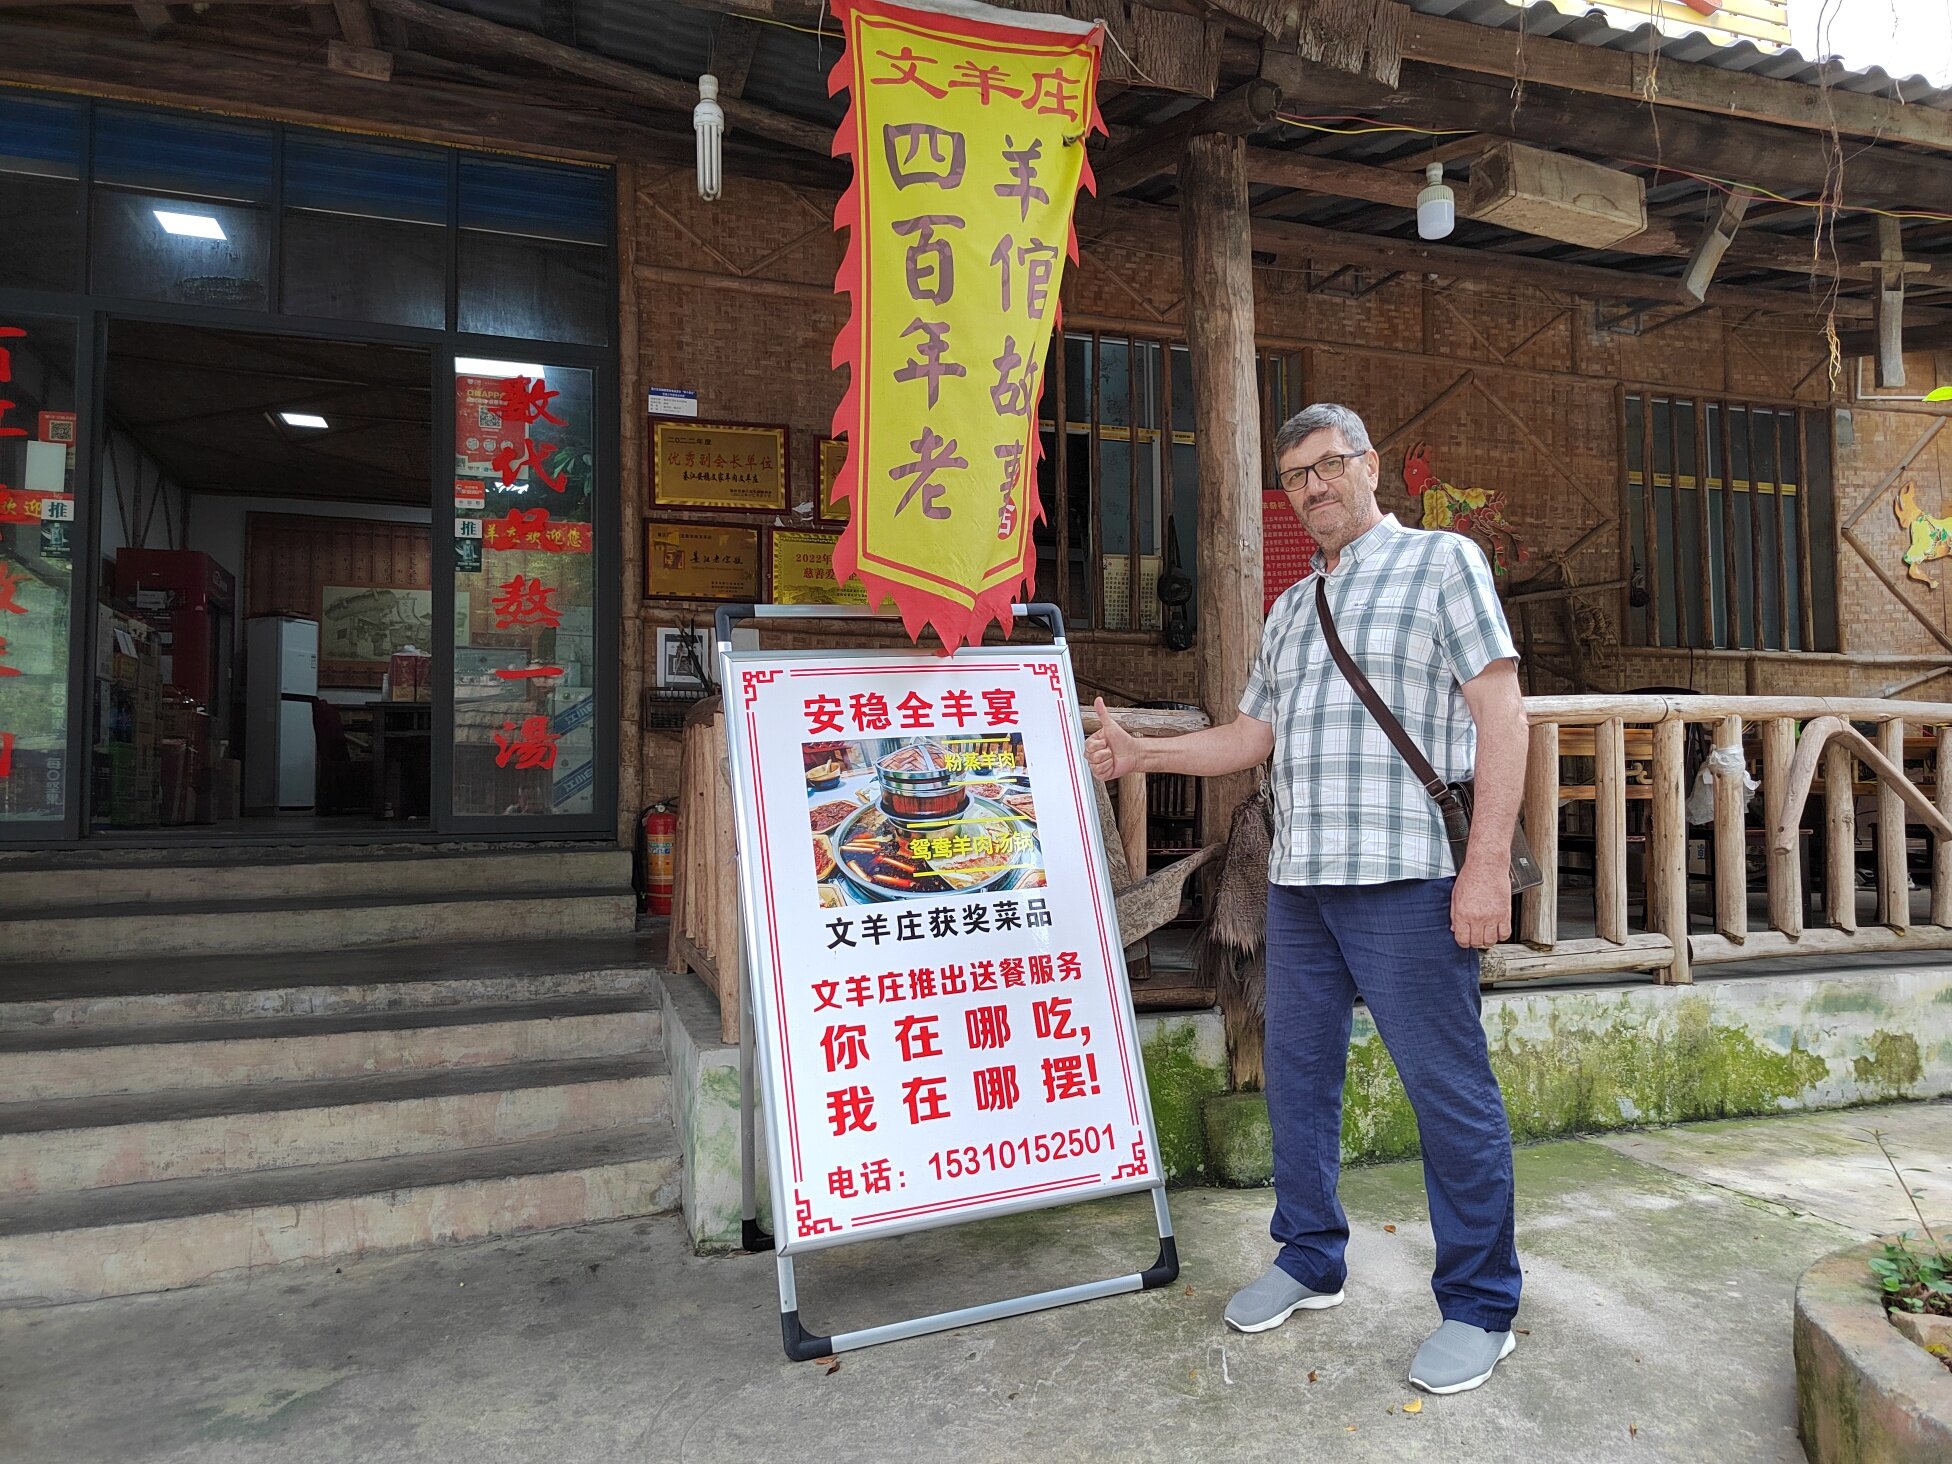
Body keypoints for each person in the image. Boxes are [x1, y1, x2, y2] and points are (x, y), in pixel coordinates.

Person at [1085, 402, 1529, 1396]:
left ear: (1370, 465)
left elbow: (1502, 715)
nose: (1314, 486)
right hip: (1300, 885)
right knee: (1295, 1079)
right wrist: (1143, 754)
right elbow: (1251, 738)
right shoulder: (1291, 608)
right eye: (1295, 476)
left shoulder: (1442, 564)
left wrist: (1484, 865)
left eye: (1329, 465)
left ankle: (1479, 1304)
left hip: (1410, 877)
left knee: (1448, 1091)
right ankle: (1309, 1255)